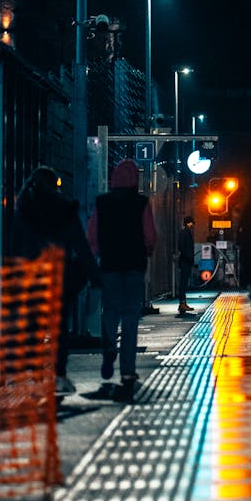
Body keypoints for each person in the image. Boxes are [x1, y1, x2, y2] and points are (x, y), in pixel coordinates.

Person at [11, 165, 101, 396]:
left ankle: (34, 375)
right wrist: (93, 275)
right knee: (59, 328)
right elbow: (80, 244)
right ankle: (59, 375)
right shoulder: (65, 210)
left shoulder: (23, 209)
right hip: (59, 277)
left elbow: (14, 245)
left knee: (33, 327)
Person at [87, 159, 156, 402]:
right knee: (130, 319)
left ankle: (108, 349)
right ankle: (127, 371)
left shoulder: (102, 203)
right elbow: (150, 235)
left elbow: (92, 235)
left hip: (110, 267)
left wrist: (97, 256)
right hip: (135, 267)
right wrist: (147, 250)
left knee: (110, 312)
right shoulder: (141, 203)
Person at [176, 215, 196, 316]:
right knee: (183, 282)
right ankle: (182, 303)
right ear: (188, 223)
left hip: (186, 260)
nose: (192, 225)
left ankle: (183, 303)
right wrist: (188, 257)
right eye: (191, 223)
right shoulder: (184, 233)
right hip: (185, 261)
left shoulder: (185, 232)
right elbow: (182, 247)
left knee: (184, 282)